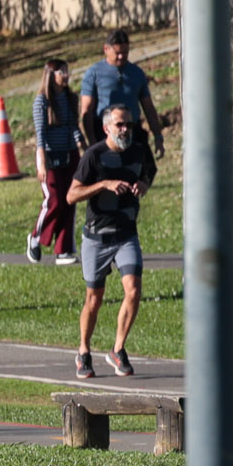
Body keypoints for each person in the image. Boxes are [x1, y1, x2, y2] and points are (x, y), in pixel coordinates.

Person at [67, 101, 156, 378]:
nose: (126, 129)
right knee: (94, 299)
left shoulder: (140, 150)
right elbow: (71, 195)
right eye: (120, 124)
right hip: (97, 238)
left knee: (133, 290)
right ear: (107, 128)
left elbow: (148, 173)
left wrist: (143, 185)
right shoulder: (94, 156)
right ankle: (83, 351)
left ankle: (118, 349)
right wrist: (103, 185)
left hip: (127, 234)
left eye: (129, 124)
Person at [26, 59, 83, 265]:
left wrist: (82, 145)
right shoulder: (42, 101)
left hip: (69, 154)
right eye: (62, 72)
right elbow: (40, 135)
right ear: (51, 75)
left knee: (70, 200)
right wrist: (41, 162)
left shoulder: (70, 98)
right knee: (54, 200)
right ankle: (35, 237)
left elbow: (73, 126)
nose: (66, 76)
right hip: (50, 157)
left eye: (67, 72)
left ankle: (64, 250)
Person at [76, 29, 163, 158]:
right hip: (105, 133)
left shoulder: (137, 73)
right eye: (117, 53)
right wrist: (92, 141)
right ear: (106, 49)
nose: (121, 56)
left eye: (125, 52)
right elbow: (86, 110)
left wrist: (158, 135)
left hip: (132, 131)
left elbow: (148, 107)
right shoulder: (93, 73)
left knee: (144, 171)